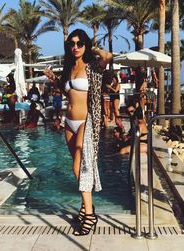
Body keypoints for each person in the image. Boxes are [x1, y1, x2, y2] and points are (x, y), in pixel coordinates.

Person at [45, 29, 112, 236]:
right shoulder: (69, 67)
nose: (75, 47)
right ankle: (85, 207)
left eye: (79, 43)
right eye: (72, 44)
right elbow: (68, 92)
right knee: (79, 168)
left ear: (85, 45)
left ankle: (90, 215)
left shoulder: (93, 67)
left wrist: (93, 48)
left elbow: (108, 56)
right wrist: (54, 79)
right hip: (69, 122)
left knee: (79, 167)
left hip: (87, 121)